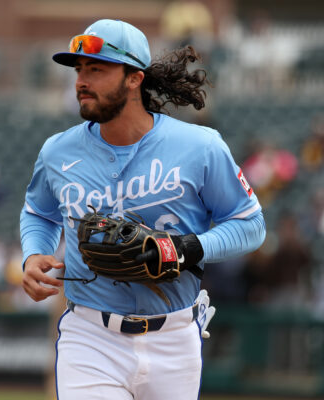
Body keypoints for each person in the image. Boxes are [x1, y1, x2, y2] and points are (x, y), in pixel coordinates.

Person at [20, 19, 266, 400]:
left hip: (175, 338)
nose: (81, 80)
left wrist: (187, 248)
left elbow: (250, 225)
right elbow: (40, 212)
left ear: (135, 78)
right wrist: (35, 252)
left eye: (96, 69)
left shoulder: (200, 147)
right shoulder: (57, 151)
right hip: (90, 336)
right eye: (79, 69)